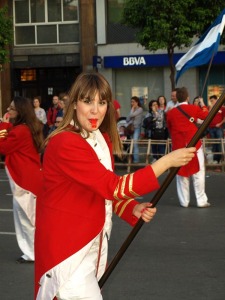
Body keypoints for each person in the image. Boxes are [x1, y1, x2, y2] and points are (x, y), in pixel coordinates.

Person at [34, 72, 196, 300]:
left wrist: (131, 208)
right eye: (87, 101)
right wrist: (166, 162)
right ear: (74, 103)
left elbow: (101, 192)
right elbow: (113, 187)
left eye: (101, 102)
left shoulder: (100, 139)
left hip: (91, 246)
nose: (95, 110)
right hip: (67, 252)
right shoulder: (65, 142)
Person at [0, 96, 43, 263]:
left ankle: (32, 253)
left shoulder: (20, 131)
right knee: (29, 218)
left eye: (11, 109)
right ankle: (32, 252)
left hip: (24, 181)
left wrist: (3, 124)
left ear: (20, 111)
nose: (8, 111)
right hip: (30, 179)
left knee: (26, 219)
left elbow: (3, 146)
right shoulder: (28, 128)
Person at [167, 87, 211, 208]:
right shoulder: (193, 108)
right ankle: (201, 200)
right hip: (194, 143)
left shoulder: (171, 113)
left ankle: (184, 201)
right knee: (198, 172)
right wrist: (202, 104)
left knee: (181, 174)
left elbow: (170, 129)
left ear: (176, 98)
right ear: (187, 97)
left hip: (178, 146)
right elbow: (207, 116)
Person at [208, 94, 225, 167]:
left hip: (219, 127)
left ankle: (220, 159)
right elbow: (207, 115)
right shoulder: (210, 108)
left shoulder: (222, 108)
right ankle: (215, 159)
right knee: (213, 144)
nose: (212, 102)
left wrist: (220, 123)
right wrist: (211, 107)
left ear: (216, 100)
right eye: (210, 101)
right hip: (211, 128)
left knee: (219, 143)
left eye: (213, 101)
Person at [126, 96, 143, 163]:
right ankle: (131, 159)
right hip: (131, 129)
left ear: (137, 102)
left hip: (136, 128)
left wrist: (132, 109)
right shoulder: (132, 110)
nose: (132, 103)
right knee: (131, 144)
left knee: (135, 143)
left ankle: (136, 160)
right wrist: (132, 110)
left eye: (133, 102)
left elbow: (132, 115)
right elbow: (127, 119)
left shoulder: (140, 109)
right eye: (131, 102)